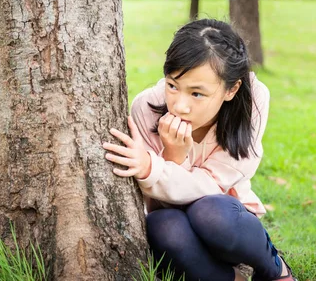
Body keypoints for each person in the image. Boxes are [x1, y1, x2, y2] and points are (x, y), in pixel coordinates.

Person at [102, 19, 296, 281]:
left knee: (209, 213)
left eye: (197, 94)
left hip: (227, 225)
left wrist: (154, 167)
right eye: (173, 85)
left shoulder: (252, 101)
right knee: (162, 226)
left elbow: (215, 185)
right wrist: (173, 156)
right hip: (179, 237)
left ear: (232, 89)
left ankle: (275, 270)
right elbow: (160, 203)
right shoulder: (146, 108)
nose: (180, 106)